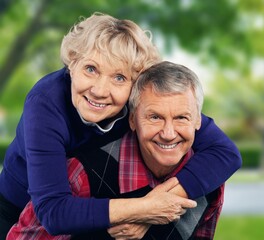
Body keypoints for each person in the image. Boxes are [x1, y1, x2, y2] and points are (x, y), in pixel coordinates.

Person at [0, 12, 241, 238]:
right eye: (91, 69)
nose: (100, 90)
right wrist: (143, 208)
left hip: (93, 203)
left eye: (119, 78)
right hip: (17, 208)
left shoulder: (143, 104)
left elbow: (226, 153)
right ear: (72, 64)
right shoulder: (46, 103)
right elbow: (54, 212)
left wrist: (152, 207)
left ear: (136, 85)